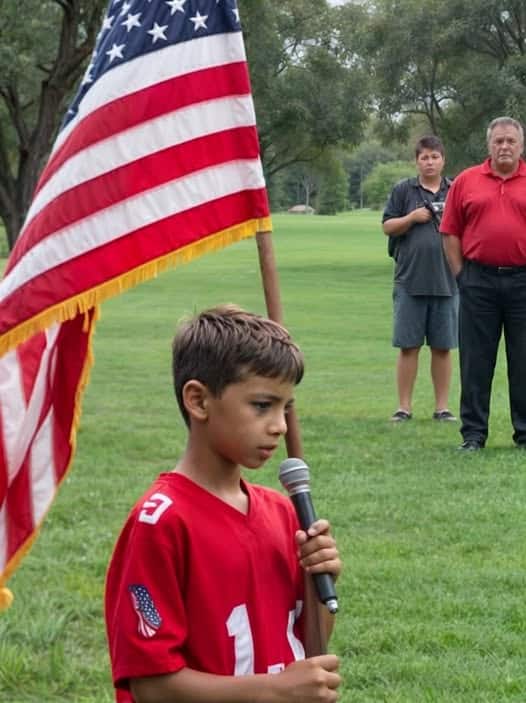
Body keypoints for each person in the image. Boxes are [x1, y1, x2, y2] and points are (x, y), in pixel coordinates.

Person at [105, 305, 342, 703]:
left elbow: (304, 639)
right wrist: (275, 690)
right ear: (198, 401)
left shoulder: (283, 512)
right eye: (263, 406)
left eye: (287, 407)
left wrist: (320, 586)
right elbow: (151, 686)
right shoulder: (162, 522)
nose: (280, 425)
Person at [441, 116, 526, 451]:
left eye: (510, 141)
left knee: (523, 361)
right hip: (478, 281)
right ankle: (474, 434)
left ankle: (524, 434)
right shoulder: (467, 181)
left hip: (523, 282)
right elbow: (449, 231)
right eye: (498, 141)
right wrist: (462, 276)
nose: (504, 146)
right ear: (489, 145)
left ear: (520, 145)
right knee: (476, 361)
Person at [382, 135, 458, 423]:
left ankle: (442, 408)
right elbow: (387, 226)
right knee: (408, 346)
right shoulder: (404, 190)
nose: (429, 162)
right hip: (409, 281)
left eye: (434, 157)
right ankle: (404, 407)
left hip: (447, 281)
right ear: (417, 161)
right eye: (424, 157)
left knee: (443, 347)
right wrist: (412, 218)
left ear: (443, 160)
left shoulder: (454, 190)